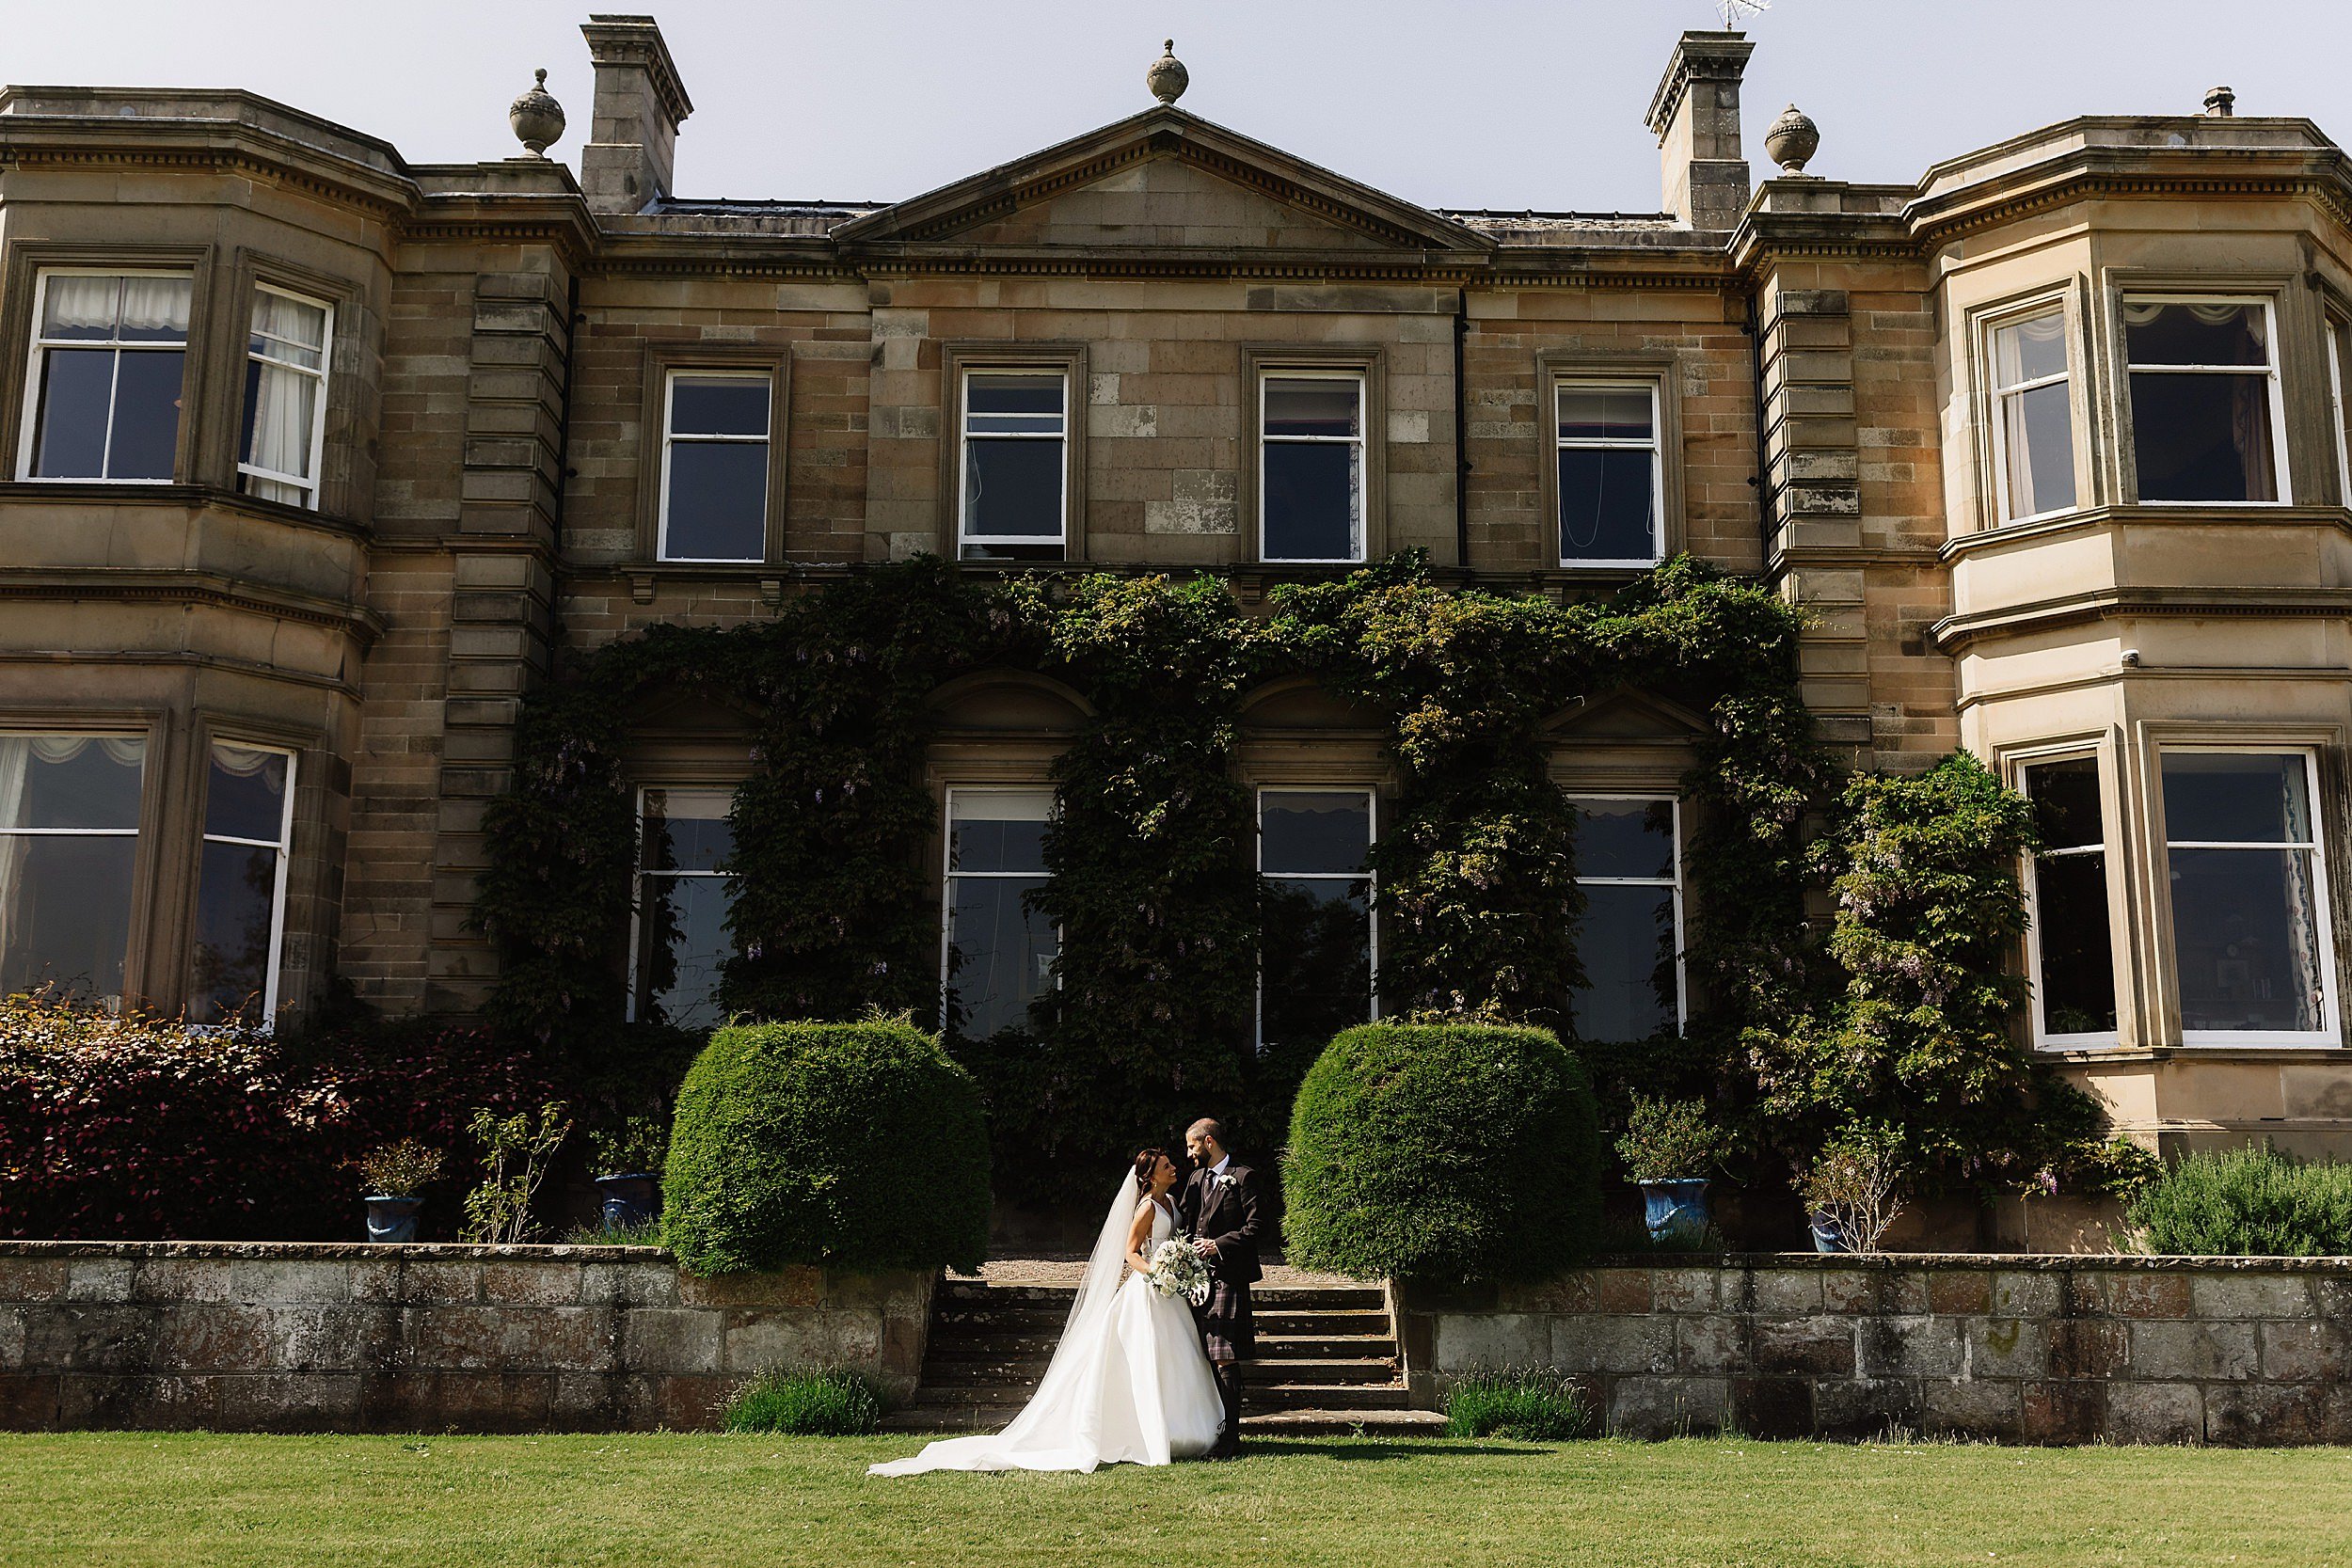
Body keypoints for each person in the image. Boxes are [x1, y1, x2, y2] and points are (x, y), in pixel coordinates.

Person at [867, 1148, 1223, 1474]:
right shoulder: (1146, 1208)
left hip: (1170, 1293)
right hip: (1148, 1290)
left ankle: (1185, 1429)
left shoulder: (1173, 1202)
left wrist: (1178, 1266)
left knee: (1176, 1358)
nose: (1173, 1167)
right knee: (1146, 1358)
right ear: (1150, 1176)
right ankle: (1147, 1432)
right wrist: (1155, 1272)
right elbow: (1130, 1253)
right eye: (1166, 1166)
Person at [1177, 1116, 1263, 1460]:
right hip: (1197, 1278)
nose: (1189, 1154)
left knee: (1225, 1357)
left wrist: (1219, 1244)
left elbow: (1257, 1226)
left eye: (1192, 1145)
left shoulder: (1244, 1177)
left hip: (1229, 1275)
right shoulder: (1196, 1179)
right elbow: (1184, 1221)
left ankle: (1231, 1438)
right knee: (1204, 1357)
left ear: (1209, 1142)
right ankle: (1209, 1429)